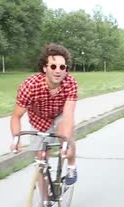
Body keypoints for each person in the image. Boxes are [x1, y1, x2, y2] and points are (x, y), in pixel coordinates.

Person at [10, 43, 78, 189]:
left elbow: (68, 115)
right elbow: (16, 116)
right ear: (44, 68)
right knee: (41, 159)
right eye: (53, 66)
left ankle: (71, 167)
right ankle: (43, 204)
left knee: (65, 136)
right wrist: (16, 138)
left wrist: (65, 141)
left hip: (60, 115)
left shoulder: (70, 83)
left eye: (62, 67)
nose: (58, 71)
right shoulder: (29, 86)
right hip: (38, 119)